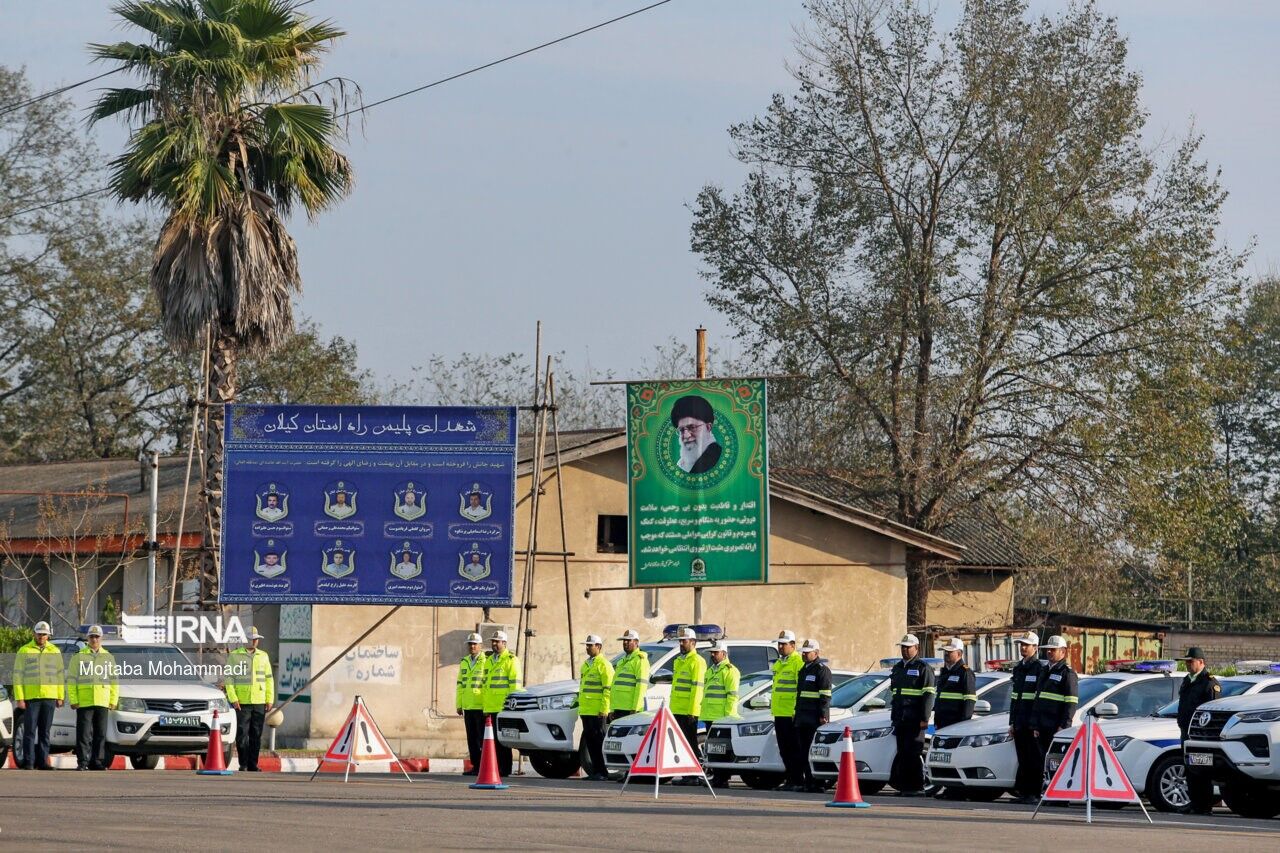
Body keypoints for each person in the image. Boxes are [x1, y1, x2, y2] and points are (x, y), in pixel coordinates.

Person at [888, 634, 935, 796]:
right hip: (900, 718)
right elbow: (895, 694)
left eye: (908, 647)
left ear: (916, 648)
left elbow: (928, 695)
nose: (905, 650)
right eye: (903, 647)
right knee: (902, 753)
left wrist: (924, 718)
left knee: (914, 753)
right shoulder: (898, 668)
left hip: (915, 719)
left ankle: (916, 787)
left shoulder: (923, 668)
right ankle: (905, 787)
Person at [13, 620, 64, 769]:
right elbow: (17, 676)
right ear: (34, 633)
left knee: (45, 731)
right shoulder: (24, 650)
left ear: (48, 636)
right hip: (32, 697)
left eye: (44, 634)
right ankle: (29, 762)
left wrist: (60, 696)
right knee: (29, 731)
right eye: (39, 634)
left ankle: (42, 762)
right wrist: (20, 697)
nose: (41, 636)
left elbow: (60, 675)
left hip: (49, 696)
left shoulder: (55, 651)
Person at [1177, 646, 1221, 814]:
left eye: (1191, 662)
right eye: (1186, 662)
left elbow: (1213, 710)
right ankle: (1195, 803)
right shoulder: (1188, 680)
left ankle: (1204, 806)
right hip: (1186, 732)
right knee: (1190, 769)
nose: (1188, 665)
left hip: (1201, 736)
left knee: (1202, 770)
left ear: (1201, 662)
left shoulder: (1209, 682)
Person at [225, 626, 275, 772]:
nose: (254, 641)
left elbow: (268, 679)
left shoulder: (263, 656)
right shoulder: (235, 655)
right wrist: (233, 698)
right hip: (242, 702)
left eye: (256, 639)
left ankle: (253, 764)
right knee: (242, 735)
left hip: (259, 701)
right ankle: (243, 763)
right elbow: (229, 678)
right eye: (251, 639)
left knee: (256, 734)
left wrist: (269, 699)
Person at [68, 625, 117, 771]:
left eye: (97, 637)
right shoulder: (78, 656)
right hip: (84, 701)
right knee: (83, 734)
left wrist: (113, 700)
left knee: (100, 734)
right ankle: (82, 762)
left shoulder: (108, 657)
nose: (94, 639)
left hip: (102, 700)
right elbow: (71, 680)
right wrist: (73, 699)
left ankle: (97, 761)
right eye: (92, 637)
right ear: (87, 638)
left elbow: (114, 681)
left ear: (101, 638)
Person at [931, 637, 976, 798]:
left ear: (959, 653)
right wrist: (937, 721)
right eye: (946, 652)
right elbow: (940, 699)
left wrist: (964, 724)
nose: (947, 655)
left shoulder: (965, 672)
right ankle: (949, 789)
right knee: (945, 758)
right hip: (943, 723)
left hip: (957, 724)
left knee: (955, 758)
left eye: (950, 652)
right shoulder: (945, 672)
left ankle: (958, 791)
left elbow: (969, 700)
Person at [1031, 635, 1078, 779]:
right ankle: (1047, 792)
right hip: (1042, 726)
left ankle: (1060, 798)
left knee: (1057, 762)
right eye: (1048, 650)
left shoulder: (1067, 673)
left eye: (1053, 649)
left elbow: (1071, 702)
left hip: (1056, 727)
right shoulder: (1044, 671)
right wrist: (1035, 725)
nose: (1049, 652)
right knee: (1044, 761)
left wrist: (1064, 726)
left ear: (1063, 652)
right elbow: (1038, 700)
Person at [1007, 631, 1044, 804]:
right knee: (1023, 758)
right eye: (1021, 645)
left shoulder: (1039, 669)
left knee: (1033, 759)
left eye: (1026, 645)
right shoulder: (1019, 668)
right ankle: (1024, 793)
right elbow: (1015, 698)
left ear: (1035, 648)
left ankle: (1034, 793)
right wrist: (1012, 722)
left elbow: (1038, 699)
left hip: (1031, 722)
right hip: (1019, 722)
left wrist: (1035, 723)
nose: (1023, 647)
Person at [668, 627, 707, 785]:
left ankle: (694, 774)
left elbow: (697, 688)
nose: (681, 644)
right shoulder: (679, 661)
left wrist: (692, 710)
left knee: (691, 744)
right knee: (681, 744)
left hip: (689, 711)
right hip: (677, 709)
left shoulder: (697, 661)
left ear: (693, 642)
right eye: (680, 641)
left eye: (684, 641)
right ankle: (686, 774)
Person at [792, 639, 832, 793]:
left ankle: (817, 783)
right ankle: (808, 782)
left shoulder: (821, 670)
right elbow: (800, 695)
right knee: (803, 752)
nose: (804, 654)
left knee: (813, 751)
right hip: (802, 718)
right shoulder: (804, 670)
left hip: (815, 719)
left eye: (807, 652)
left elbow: (825, 695)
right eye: (803, 652)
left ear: (816, 653)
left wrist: (823, 715)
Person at [700, 640, 741, 788]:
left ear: (724, 654)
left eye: (715, 653)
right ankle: (716, 776)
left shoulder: (730, 671)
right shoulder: (711, 670)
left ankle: (722, 778)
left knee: (722, 749)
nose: (713, 655)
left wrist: (728, 718)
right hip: (709, 715)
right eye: (712, 652)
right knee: (713, 749)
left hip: (721, 718)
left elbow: (732, 696)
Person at [481, 630, 522, 777]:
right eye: (493, 641)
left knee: (503, 741)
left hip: (503, 707)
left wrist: (512, 706)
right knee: (493, 742)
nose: (494, 644)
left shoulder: (511, 660)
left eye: (497, 642)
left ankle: (505, 769)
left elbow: (515, 686)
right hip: (490, 707)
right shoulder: (489, 660)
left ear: (504, 643)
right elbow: (486, 686)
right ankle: (496, 768)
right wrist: (485, 707)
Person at [771, 629, 805, 789]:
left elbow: (799, 690)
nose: (780, 647)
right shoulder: (779, 663)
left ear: (793, 645)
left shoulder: (798, 663)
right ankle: (790, 778)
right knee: (784, 749)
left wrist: (795, 712)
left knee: (793, 749)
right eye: (779, 644)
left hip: (790, 714)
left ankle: (797, 779)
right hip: (779, 712)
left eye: (784, 644)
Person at [578, 634, 614, 781]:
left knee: (598, 742)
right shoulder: (587, 664)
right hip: (586, 710)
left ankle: (603, 772)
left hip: (597, 711)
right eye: (586, 645)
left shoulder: (604, 665)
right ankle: (595, 771)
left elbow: (608, 689)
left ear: (598, 647)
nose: (587, 647)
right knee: (591, 742)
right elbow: (582, 688)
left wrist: (604, 709)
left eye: (590, 645)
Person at [455, 632, 488, 776]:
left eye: (475, 644)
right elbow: (460, 685)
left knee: (482, 739)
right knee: (472, 739)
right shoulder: (464, 661)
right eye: (470, 644)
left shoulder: (486, 661)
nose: (472, 646)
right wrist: (459, 704)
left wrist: (487, 705)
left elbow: (487, 685)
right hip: (468, 706)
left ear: (480, 646)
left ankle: (485, 766)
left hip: (480, 706)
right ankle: (476, 766)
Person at [670, 395, 722, 474]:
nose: (686, 436)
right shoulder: (681, 463)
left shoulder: (718, 458)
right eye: (682, 430)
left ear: (708, 427)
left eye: (692, 427)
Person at [610, 629, 650, 722]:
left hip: (630, 710)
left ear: (636, 642)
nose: (625, 643)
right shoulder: (622, 661)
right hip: (618, 709)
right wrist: (612, 709)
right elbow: (614, 686)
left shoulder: (640, 660)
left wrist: (636, 708)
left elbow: (641, 687)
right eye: (624, 640)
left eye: (628, 640)